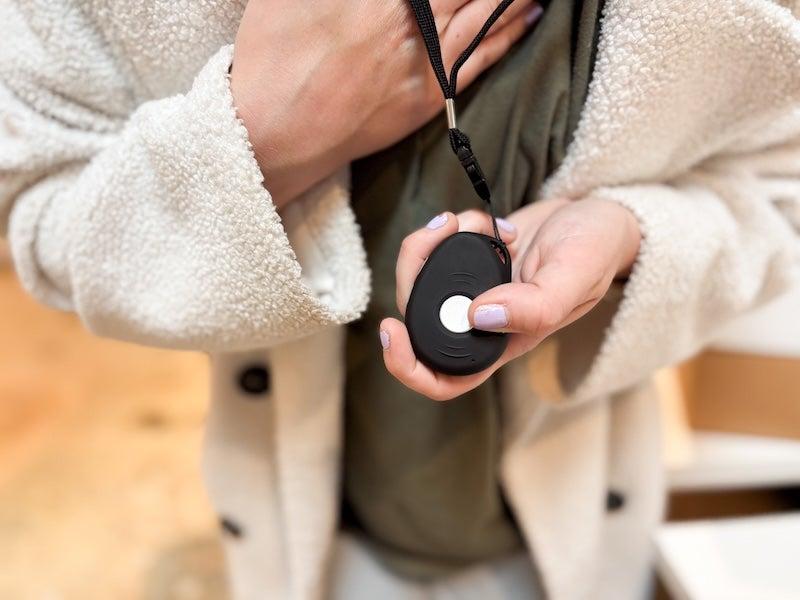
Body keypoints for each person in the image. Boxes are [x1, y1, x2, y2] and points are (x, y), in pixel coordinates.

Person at [1, 0, 799, 598]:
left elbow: (779, 192)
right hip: (309, 545)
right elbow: (35, 206)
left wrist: (628, 237)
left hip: (575, 535)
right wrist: (268, 134)